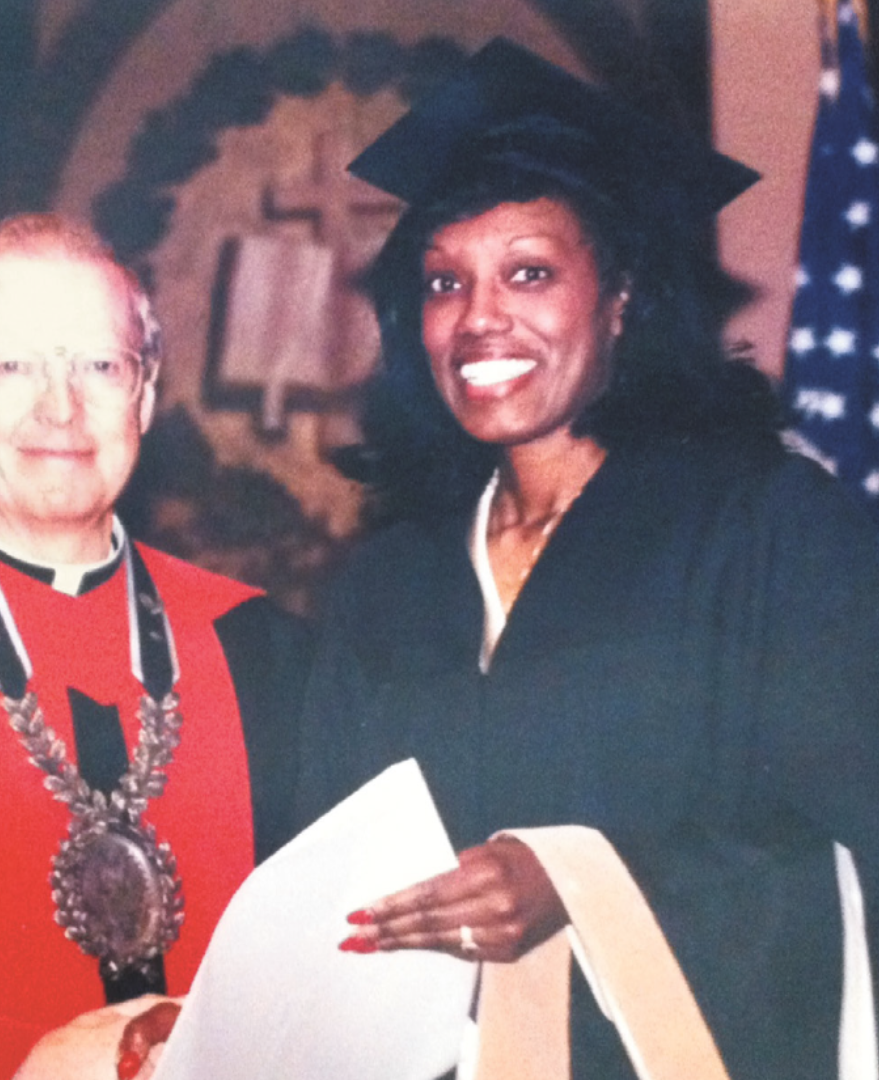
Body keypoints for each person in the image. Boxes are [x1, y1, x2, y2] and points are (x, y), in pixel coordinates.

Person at [295, 39, 879, 1080]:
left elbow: (848, 847)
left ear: (620, 301)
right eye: (443, 281)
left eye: (530, 272)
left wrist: (584, 879)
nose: (479, 318)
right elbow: (327, 892)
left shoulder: (770, 530)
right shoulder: (387, 588)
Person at [0, 213, 305, 1078]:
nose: (60, 406)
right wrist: (24, 1066)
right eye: (11, 364)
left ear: (144, 395)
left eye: (100, 366)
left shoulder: (262, 651)